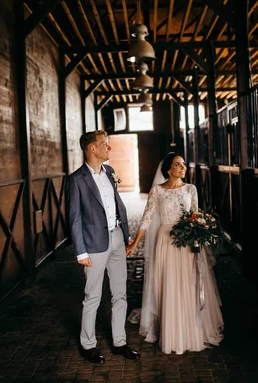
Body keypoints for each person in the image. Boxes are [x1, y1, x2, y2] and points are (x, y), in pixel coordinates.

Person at [126, 152, 224, 355]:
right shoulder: (157, 191)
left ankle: (191, 333)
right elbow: (146, 218)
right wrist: (135, 243)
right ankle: (172, 333)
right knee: (168, 284)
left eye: (183, 164)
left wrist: (199, 231)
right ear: (168, 169)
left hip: (187, 242)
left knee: (188, 284)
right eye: (177, 165)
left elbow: (195, 215)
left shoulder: (191, 189)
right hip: (166, 241)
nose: (182, 168)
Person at [66, 130, 140, 364]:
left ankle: (120, 342)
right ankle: (88, 345)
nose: (109, 148)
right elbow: (74, 217)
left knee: (120, 293)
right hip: (94, 245)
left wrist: (126, 235)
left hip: (117, 238)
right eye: (104, 145)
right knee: (93, 296)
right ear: (91, 149)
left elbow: (118, 205)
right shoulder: (76, 179)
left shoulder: (110, 172)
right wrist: (81, 251)